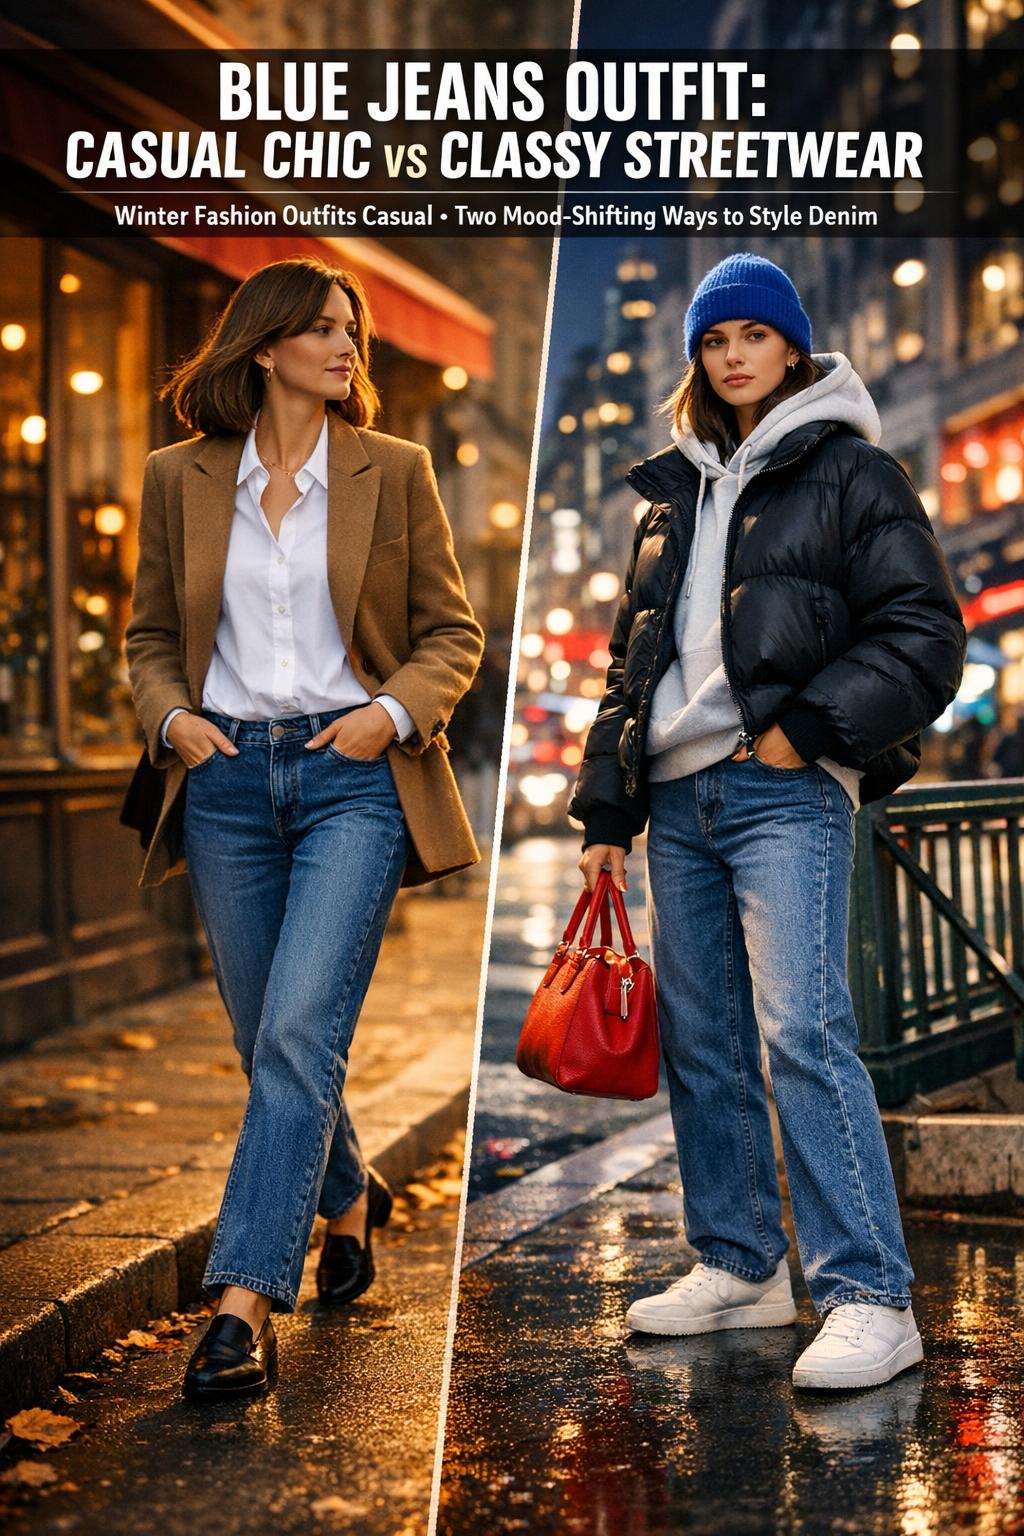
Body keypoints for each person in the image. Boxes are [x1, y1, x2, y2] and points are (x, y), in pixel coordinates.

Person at [569, 253, 966, 1392]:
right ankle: (741, 1265)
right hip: (676, 795)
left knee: (804, 1033)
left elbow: (924, 635)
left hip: (783, 787)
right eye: (713, 340)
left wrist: (802, 731)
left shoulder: (853, 471)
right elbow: (632, 665)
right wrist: (608, 810)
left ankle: (870, 1296)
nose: (733, 355)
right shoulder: (669, 495)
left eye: (752, 335)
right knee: (702, 1043)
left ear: (792, 346)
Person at [125, 255, 484, 1401]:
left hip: (352, 781)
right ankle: (346, 1194)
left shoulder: (395, 469)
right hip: (225, 780)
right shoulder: (179, 477)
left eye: (352, 330)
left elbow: (451, 634)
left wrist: (389, 716)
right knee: (267, 1041)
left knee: (294, 1035)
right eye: (324, 328)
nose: (345, 347)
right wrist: (172, 720)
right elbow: (148, 639)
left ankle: (241, 1307)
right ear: (266, 344)